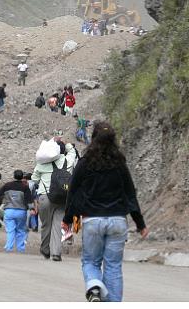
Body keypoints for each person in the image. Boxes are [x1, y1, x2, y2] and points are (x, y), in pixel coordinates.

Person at [62, 122, 148, 302]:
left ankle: (94, 286)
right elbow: (130, 194)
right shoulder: (120, 163)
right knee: (113, 266)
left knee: (91, 262)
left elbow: (74, 191)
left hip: (92, 221)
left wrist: (68, 218)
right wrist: (140, 224)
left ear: (93, 139)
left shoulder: (85, 163)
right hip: (117, 221)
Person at [32, 138, 78, 262]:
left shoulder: (42, 163)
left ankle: (45, 249)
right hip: (63, 197)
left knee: (46, 225)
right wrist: (66, 143)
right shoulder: (68, 160)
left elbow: (34, 179)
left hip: (45, 197)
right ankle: (56, 253)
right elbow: (72, 150)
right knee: (58, 225)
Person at [0, 170, 36, 253]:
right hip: (21, 211)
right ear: (22, 177)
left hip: (9, 210)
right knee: (21, 230)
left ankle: (9, 247)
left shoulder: (7, 185)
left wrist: (4, 200)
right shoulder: (25, 187)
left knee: (10, 230)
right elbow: (29, 200)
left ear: (14, 176)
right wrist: (32, 209)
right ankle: (20, 249)